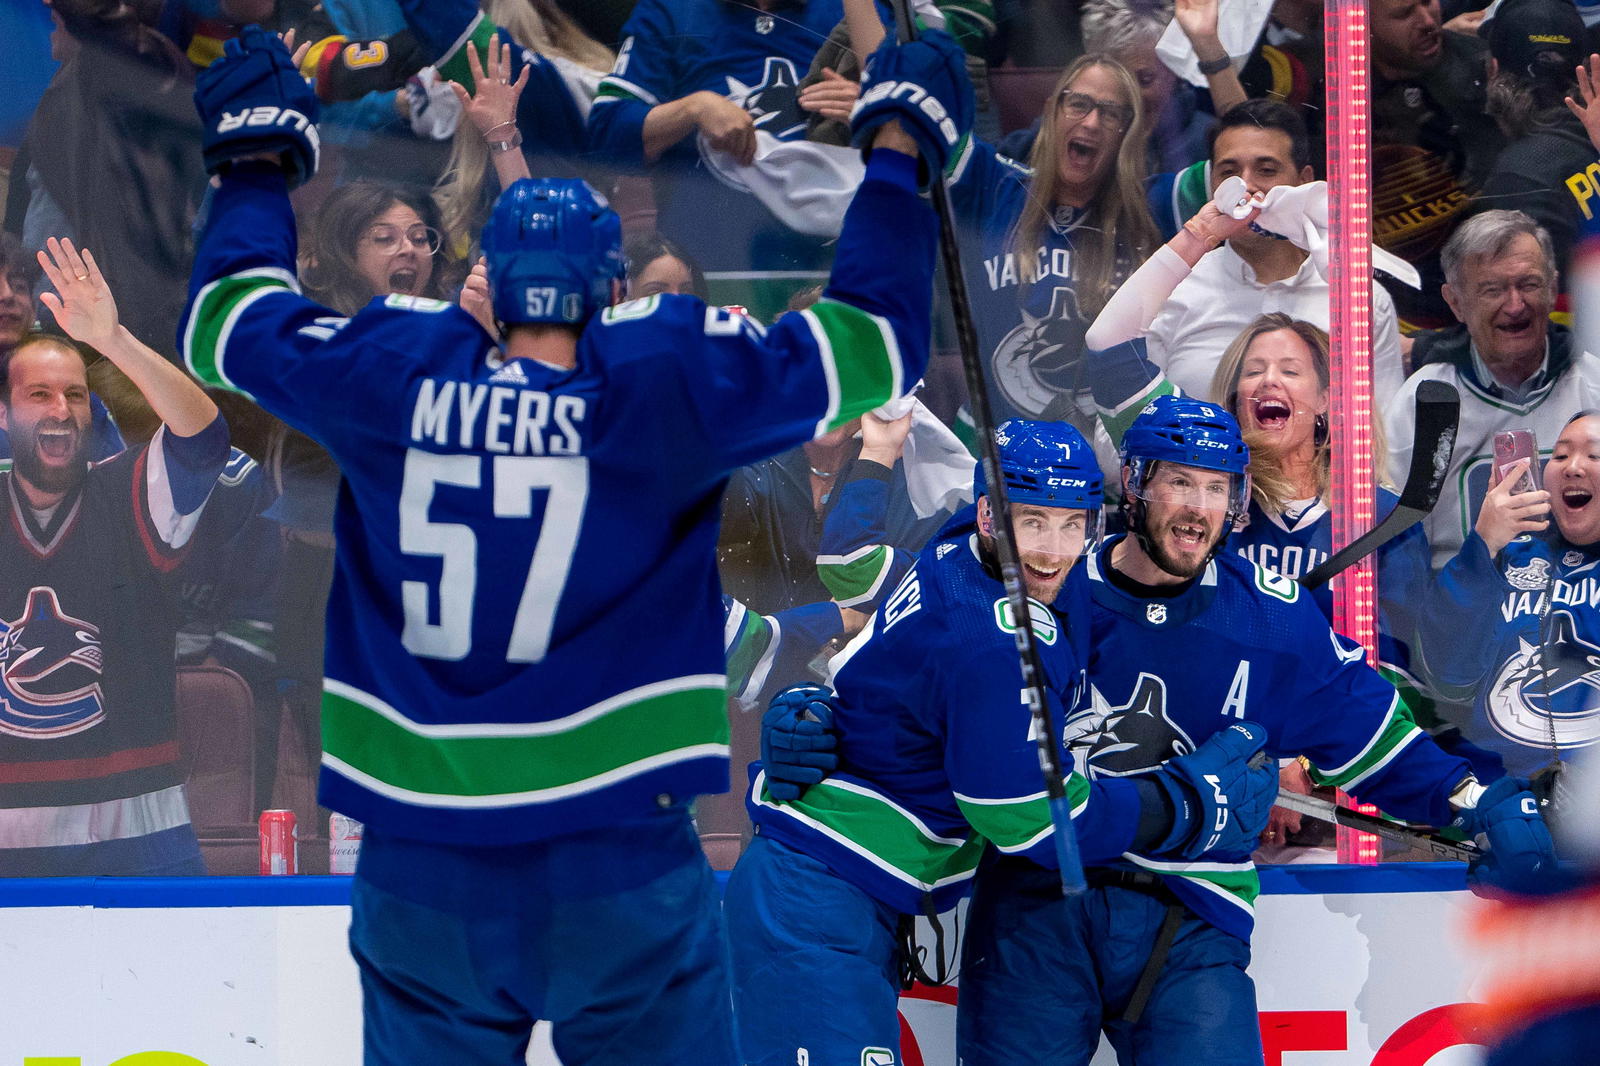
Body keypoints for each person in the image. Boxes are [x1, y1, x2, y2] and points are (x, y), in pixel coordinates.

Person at [182, 25, 959, 1064]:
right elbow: (872, 344)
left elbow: (226, 321)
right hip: (618, 850)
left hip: (424, 854)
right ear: (608, 291)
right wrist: (900, 150)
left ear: (488, 287)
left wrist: (251, 158)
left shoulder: (398, 364)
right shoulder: (660, 375)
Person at [770, 396, 1560, 1062]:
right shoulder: (1046, 566)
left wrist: (1476, 798)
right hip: (1034, 905)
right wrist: (826, 717)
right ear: (1137, 487)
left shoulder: (1274, 623)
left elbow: (1382, 746)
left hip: (1193, 912)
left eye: (1219, 487)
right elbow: (912, 649)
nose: (1199, 506)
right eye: (1180, 481)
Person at [732, 421, 1279, 1066]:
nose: (1051, 552)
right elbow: (1027, 819)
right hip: (815, 899)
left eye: (1071, 524)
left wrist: (847, 706)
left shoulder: (958, 542)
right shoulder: (1001, 640)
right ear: (992, 514)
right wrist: (1183, 804)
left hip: (839, 894)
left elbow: (856, 575)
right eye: (1033, 522)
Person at [0, 238, 228, 877]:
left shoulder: (131, 493)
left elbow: (204, 439)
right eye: (39, 394)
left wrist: (115, 342)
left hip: (139, 840)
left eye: (74, 395)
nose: (61, 410)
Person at [1086, 98, 1407, 408]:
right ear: (1212, 184)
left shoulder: (1360, 300)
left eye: (1266, 170)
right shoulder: (1170, 293)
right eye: (1229, 172)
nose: (1246, 187)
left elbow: (1384, 440)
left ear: (1304, 181)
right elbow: (1121, 414)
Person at [1388, 209, 1600, 569]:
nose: (1515, 305)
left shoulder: (1594, 385)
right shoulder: (1423, 401)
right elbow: (1397, 549)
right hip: (1461, 612)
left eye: (1529, 284)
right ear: (1455, 302)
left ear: (1552, 289)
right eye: (1493, 290)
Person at [586, 0, 848, 270]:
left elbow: (889, 117)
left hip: (831, 256)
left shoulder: (852, 11)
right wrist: (693, 108)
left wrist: (871, 108)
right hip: (704, 261)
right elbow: (607, 129)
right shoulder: (670, 10)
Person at [1414, 409, 1600, 777]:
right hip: (1499, 796)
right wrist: (1482, 547)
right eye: (1560, 455)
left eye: (1595, 455)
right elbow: (1447, 675)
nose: (1572, 467)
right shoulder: (1511, 556)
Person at [1369, 0, 1505, 328]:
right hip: (1390, 302)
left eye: (1429, 2)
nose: (1428, 20)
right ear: (1362, 28)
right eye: (1404, 14)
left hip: (1490, 288)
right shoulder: (1337, 88)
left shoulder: (1481, 65)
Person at [1471, 0, 1594, 289]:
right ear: (1585, 69)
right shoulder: (1592, 136)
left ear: (1493, 69)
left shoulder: (1516, 181)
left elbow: (1524, 317)